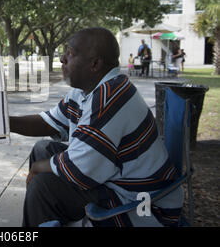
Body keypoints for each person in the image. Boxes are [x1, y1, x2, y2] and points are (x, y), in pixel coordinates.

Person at [10, 27, 183, 227]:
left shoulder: (111, 97)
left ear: (94, 64)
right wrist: (3, 122)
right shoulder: (88, 90)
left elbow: (79, 169)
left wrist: (40, 167)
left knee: (43, 187)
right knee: (42, 150)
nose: (62, 60)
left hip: (142, 204)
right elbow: (47, 122)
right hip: (115, 181)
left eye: (70, 54)